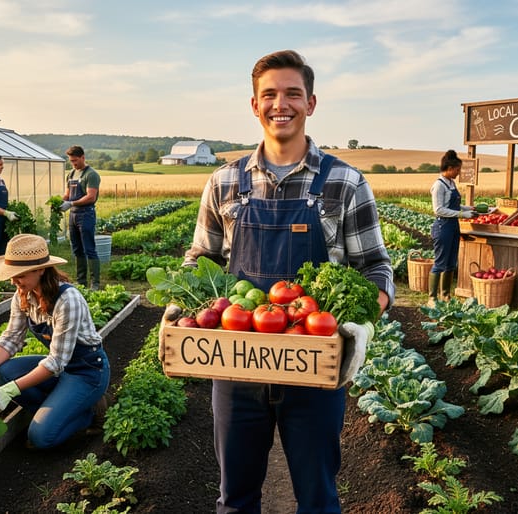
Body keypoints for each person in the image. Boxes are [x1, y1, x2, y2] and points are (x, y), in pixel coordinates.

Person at [164, 49, 394, 514]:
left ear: (311, 103)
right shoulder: (224, 182)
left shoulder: (345, 183)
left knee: (318, 499)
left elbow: (376, 266)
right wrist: (180, 302)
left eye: (292, 93)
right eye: (269, 95)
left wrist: (365, 318)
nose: (280, 104)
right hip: (236, 363)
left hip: (316, 367)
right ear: (254, 105)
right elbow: (201, 256)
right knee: (235, 500)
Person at [0, 234, 109, 449]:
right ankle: (58, 407)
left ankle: (89, 412)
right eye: (12, 275)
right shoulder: (22, 294)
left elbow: (55, 362)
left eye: (20, 275)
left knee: (41, 438)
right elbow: (11, 337)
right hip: (60, 370)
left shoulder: (68, 300)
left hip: (86, 371)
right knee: (2, 373)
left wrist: (9, 392)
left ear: (40, 269)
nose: (13, 281)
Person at [428, 150, 474, 303]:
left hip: (453, 226)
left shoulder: (451, 183)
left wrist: (468, 209)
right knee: (440, 262)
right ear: (449, 168)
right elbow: (438, 209)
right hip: (443, 226)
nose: (458, 172)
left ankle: (445, 295)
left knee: (451, 262)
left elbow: (454, 205)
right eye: (457, 169)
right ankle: (432, 298)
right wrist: (462, 215)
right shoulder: (438, 186)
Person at [59, 145, 102, 289]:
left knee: (89, 248)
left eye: (75, 160)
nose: (74, 164)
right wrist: (60, 202)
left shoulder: (91, 174)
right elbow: (67, 194)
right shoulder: (71, 174)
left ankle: (95, 282)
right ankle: (81, 281)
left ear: (83, 157)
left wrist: (70, 203)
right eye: (71, 161)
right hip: (73, 215)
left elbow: (91, 197)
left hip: (86, 214)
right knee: (77, 248)